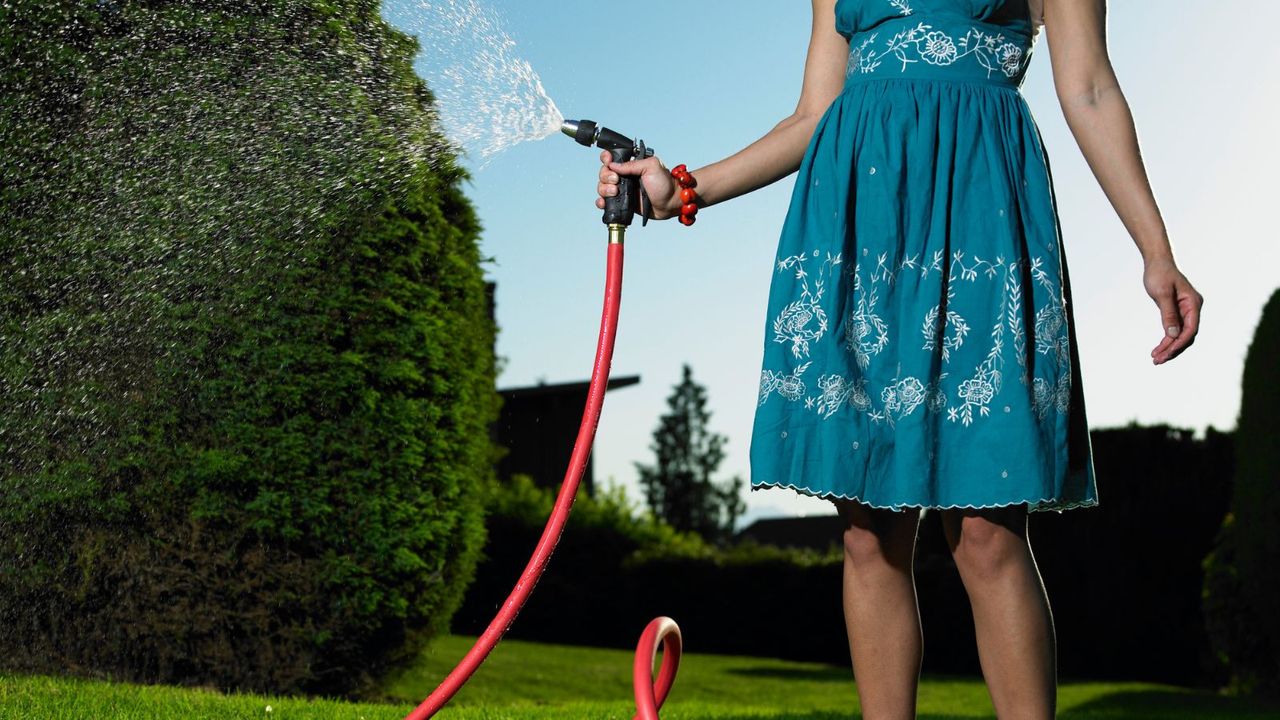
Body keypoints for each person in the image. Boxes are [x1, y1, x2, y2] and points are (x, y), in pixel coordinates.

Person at [594, 0, 1203, 717]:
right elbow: (814, 113)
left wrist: (1155, 249)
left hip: (980, 213)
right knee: (867, 531)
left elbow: (1090, 88)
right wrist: (685, 191)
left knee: (988, 532)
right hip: (859, 223)